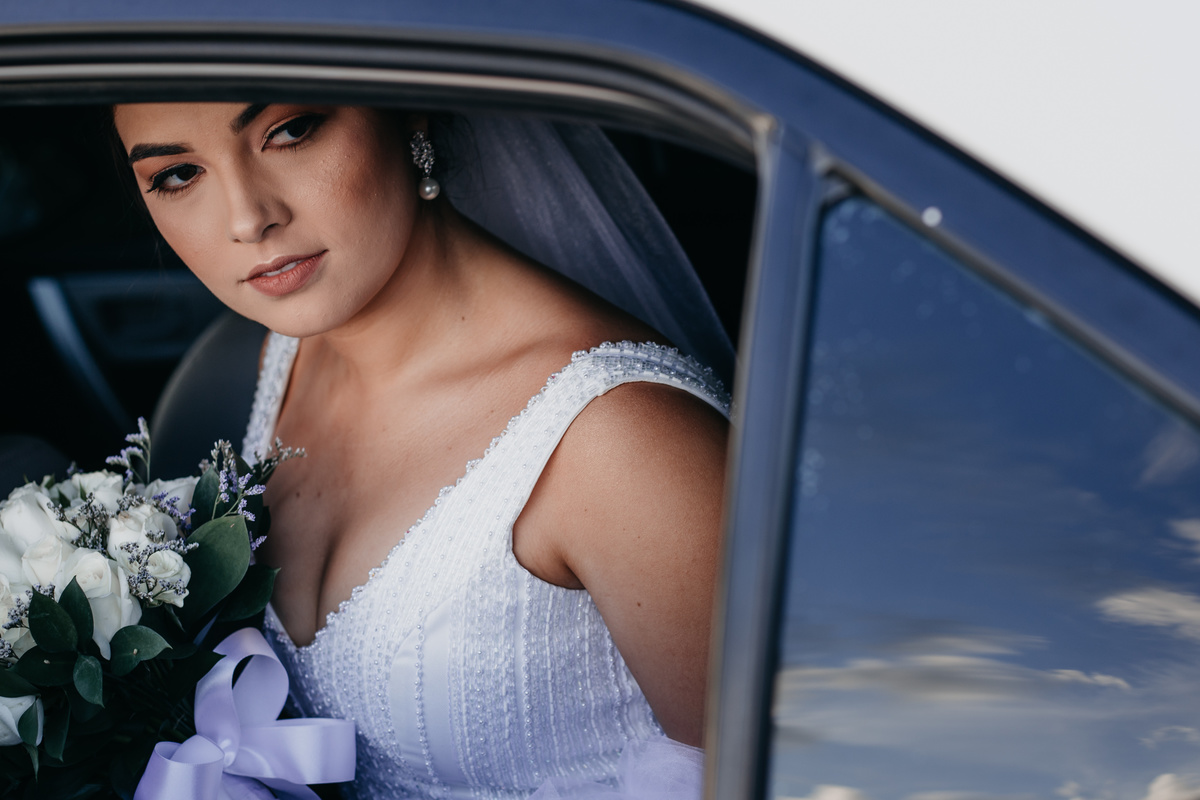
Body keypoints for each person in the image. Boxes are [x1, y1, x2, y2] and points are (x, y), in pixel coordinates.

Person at [110, 103, 732, 799]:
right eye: (178, 173)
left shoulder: (623, 438)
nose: (247, 218)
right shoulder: (272, 366)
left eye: (290, 131)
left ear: (409, 116)